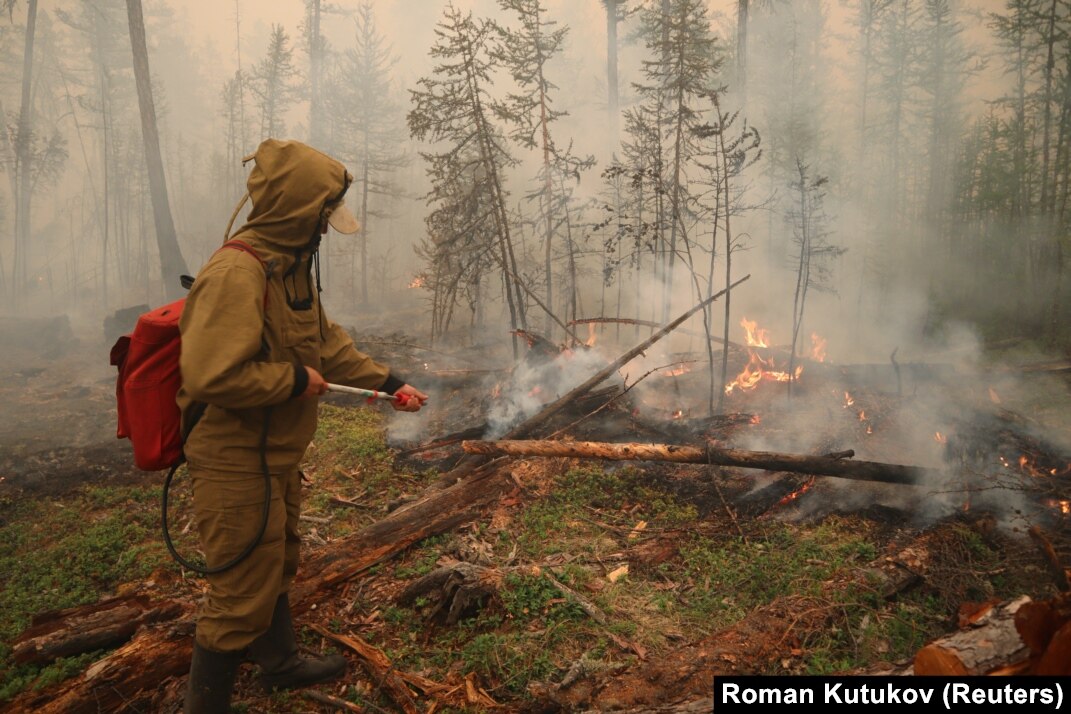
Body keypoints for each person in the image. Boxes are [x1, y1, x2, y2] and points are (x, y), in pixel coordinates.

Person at [178, 139, 427, 713]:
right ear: (298, 212)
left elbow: (327, 344)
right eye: (322, 217)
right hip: (235, 459)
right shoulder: (236, 273)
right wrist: (293, 380)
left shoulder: (289, 269)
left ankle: (280, 664)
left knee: (276, 561)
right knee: (239, 593)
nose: (325, 230)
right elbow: (212, 375)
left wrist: (391, 383)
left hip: (275, 454)